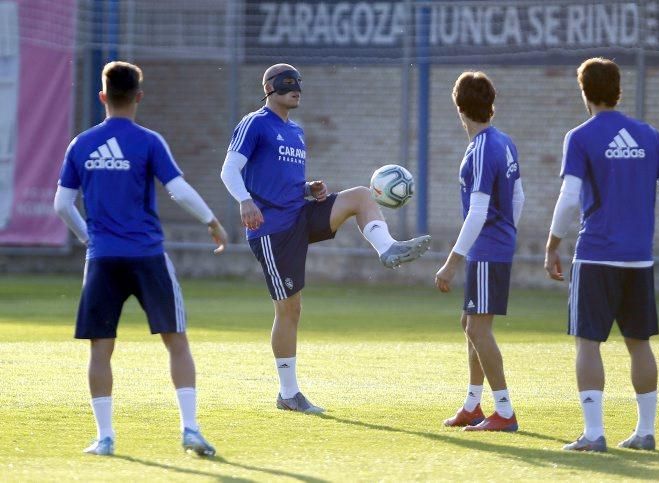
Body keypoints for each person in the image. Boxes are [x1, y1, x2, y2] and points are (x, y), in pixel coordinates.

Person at [220, 63, 431, 413]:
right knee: (290, 310)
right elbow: (228, 168)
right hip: (271, 228)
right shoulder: (255, 123)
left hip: (299, 214)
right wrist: (244, 200)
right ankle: (288, 394)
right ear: (269, 88)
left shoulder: (297, 132)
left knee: (361, 196)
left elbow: (280, 181)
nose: (296, 87)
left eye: (299, 82)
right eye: (287, 82)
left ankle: (387, 247)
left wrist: (307, 188)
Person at [54, 61, 227, 456]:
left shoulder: (80, 145)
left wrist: (89, 238)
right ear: (139, 96)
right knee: (176, 341)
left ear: (102, 96)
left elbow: (62, 204)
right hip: (147, 256)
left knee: (101, 348)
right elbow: (178, 190)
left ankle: (105, 437)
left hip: (103, 260)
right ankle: (190, 430)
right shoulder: (148, 141)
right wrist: (212, 221)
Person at [544, 57, 659, 452]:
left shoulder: (580, 136)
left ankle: (593, 434)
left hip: (596, 256)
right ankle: (645, 432)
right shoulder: (648, 135)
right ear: (618, 89)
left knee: (588, 343)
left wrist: (553, 244)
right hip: (639, 258)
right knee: (639, 342)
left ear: (584, 92)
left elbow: (570, 197)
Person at [435, 71, 524, 432]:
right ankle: (473, 405)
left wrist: (450, 263)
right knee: (469, 324)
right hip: (492, 246)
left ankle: (504, 410)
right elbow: (519, 197)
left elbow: (478, 210)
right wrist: (509, 233)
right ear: (491, 104)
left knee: (478, 328)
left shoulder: (484, 147)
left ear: (459, 107)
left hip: (487, 248)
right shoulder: (502, 141)